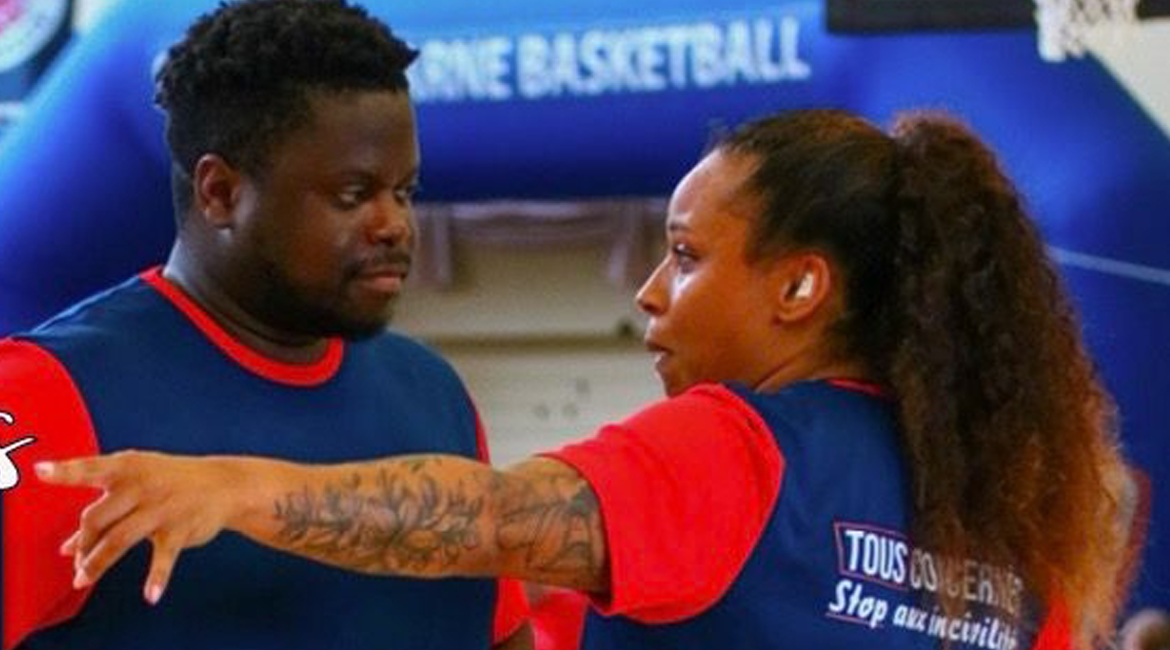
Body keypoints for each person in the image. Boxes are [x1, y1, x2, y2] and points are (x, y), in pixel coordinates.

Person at [39, 108, 1130, 650]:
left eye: (687, 255)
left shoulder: (743, 449)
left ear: (801, 286)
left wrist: (236, 487)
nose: (651, 292)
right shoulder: (1014, 534)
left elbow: (490, 517)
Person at [0, 1, 530, 649]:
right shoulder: (44, 395)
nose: (394, 224)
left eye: (404, 192)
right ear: (221, 192)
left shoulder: (433, 392)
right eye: (353, 195)